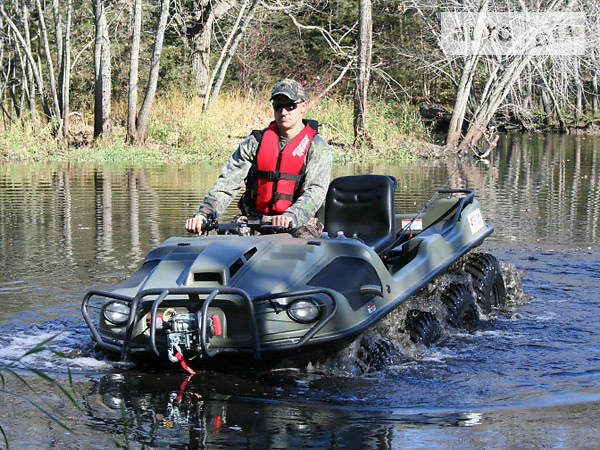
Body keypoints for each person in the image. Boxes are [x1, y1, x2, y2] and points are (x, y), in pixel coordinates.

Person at [185, 79, 332, 238]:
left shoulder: (317, 147)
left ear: (303, 106)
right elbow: (226, 183)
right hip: (255, 221)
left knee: (301, 242)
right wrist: (204, 215)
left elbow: (316, 191)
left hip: (297, 223)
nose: (283, 112)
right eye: (278, 106)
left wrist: (291, 216)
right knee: (227, 237)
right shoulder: (255, 143)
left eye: (290, 106)